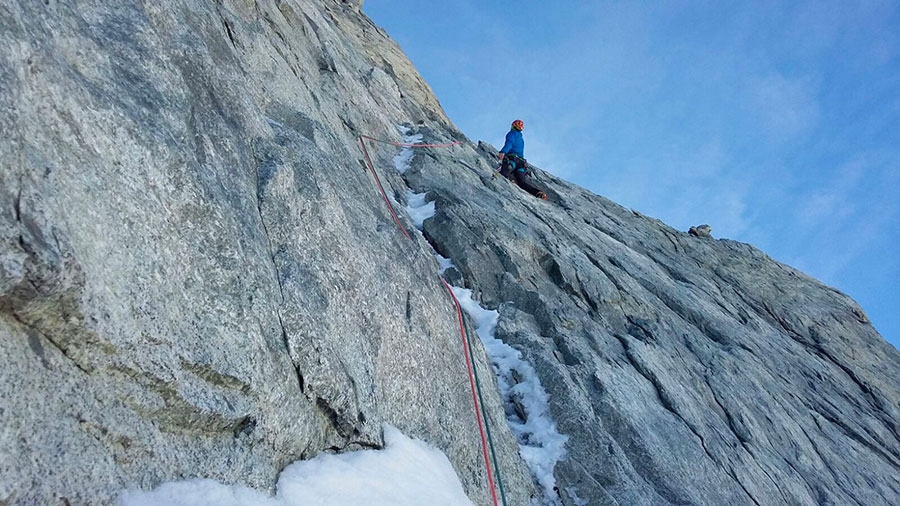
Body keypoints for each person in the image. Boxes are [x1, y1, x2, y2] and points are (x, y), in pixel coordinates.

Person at [498, 119, 547, 200]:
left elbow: (509, 144)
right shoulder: (521, 139)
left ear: (513, 125)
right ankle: (537, 192)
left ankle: (509, 181)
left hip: (512, 160)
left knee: (503, 174)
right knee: (522, 183)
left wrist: (503, 152)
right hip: (521, 163)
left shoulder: (511, 134)